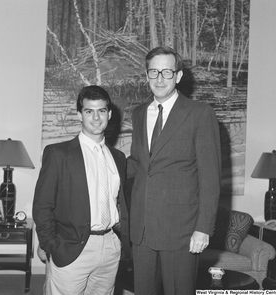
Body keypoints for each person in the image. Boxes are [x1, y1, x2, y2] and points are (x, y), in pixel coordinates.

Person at [127, 46, 221, 295]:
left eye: (166, 72)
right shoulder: (138, 114)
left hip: (181, 230)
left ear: (178, 76)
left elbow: (210, 178)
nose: (159, 79)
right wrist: (101, 163)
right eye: (153, 72)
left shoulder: (200, 114)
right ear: (146, 75)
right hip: (142, 229)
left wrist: (203, 228)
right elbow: (139, 164)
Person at [33, 85, 128, 295]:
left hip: (110, 247)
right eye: (89, 111)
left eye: (101, 110)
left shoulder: (118, 158)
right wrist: (51, 246)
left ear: (109, 114)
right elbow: (43, 205)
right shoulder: (58, 154)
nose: (96, 117)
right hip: (71, 247)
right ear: (79, 115)